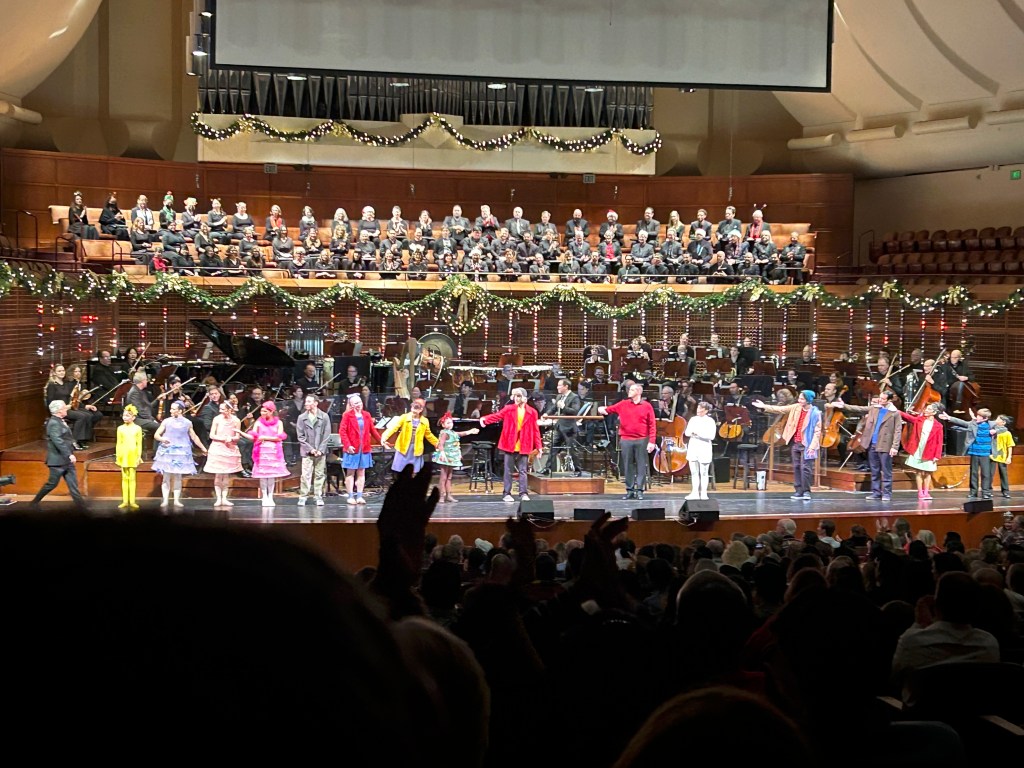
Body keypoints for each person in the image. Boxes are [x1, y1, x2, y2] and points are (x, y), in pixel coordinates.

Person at [751, 389, 822, 501]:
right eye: (799, 398)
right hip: (796, 442)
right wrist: (764, 406)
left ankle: (806, 491)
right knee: (796, 467)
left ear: (808, 400)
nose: (799, 400)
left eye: (802, 399)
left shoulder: (815, 413)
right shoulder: (796, 407)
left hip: (808, 444)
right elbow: (781, 409)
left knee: (805, 468)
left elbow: (817, 432)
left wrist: (812, 447)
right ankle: (798, 490)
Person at [833, 390, 902, 502]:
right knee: (874, 470)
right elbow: (859, 409)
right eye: (880, 398)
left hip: (885, 444)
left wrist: (894, 446)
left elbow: (898, 430)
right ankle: (876, 492)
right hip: (872, 444)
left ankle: (886, 493)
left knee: (886, 471)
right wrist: (844, 406)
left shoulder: (894, 413)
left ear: (889, 400)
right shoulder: (875, 408)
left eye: (883, 399)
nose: (880, 400)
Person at [481, 387, 542, 503]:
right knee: (508, 470)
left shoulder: (532, 412)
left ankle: (523, 493)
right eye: (514, 396)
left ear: (524, 397)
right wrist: (485, 419)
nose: (516, 398)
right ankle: (507, 493)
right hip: (510, 443)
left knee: (523, 470)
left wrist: (539, 447)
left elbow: (535, 430)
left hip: (524, 444)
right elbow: (497, 416)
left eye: (518, 396)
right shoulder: (509, 408)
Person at [598, 382, 657, 501]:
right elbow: (608, 410)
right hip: (626, 439)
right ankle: (629, 490)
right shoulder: (623, 404)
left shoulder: (647, 406)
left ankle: (639, 490)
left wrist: (652, 441)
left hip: (641, 439)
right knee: (627, 464)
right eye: (629, 389)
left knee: (641, 465)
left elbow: (652, 424)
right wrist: (601, 409)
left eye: (632, 390)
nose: (629, 391)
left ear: (639, 392)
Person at [30, 400, 86, 509]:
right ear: (59, 411)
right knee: (51, 484)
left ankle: (82, 507)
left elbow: (66, 438)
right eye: (64, 408)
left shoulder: (60, 421)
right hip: (57, 461)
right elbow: (58, 441)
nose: (66, 409)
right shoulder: (54, 423)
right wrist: (69, 454)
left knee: (73, 486)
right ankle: (34, 503)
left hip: (66, 461)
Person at [151, 400, 207, 509]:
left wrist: (203, 447)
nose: (171, 411)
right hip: (168, 451)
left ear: (180, 411)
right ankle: (165, 500)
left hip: (181, 452)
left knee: (177, 477)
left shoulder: (187, 423)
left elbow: (194, 437)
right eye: (171, 409)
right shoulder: (166, 421)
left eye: (173, 409)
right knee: (166, 476)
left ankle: (176, 500)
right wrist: (162, 439)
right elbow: (156, 435)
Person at [238, 401, 288, 514]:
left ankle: (270, 496)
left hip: (273, 451)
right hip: (262, 451)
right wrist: (240, 432)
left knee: (271, 475)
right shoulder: (258, 422)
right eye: (261, 411)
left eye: (265, 411)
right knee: (263, 476)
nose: (262, 413)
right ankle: (264, 496)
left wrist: (264, 437)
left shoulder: (279, 423)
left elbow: (279, 437)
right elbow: (253, 436)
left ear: (271, 411)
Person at [939, 407, 995, 500]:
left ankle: (986, 493)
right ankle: (973, 492)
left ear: (985, 418)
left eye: (979, 416)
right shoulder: (973, 424)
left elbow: (1003, 428)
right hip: (974, 451)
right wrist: (949, 418)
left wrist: (996, 431)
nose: (977, 417)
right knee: (974, 473)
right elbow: (963, 423)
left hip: (985, 453)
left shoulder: (992, 425)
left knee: (985, 474)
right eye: (977, 415)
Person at [44, 363, 102, 449]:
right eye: (59, 371)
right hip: (60, 410)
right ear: (54, 373)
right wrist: (63, 408)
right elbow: (50, 403)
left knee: (88, 415)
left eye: (63, 370)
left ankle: (82, 440)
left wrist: (83, 406)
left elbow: (72, 398)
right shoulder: (52, 385)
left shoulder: (65, 384)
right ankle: (74, 441)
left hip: (69, 407)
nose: (62, 372)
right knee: (81, 416)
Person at [340, 392, 382, 506]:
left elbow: (372, 430)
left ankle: (359, 496)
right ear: (351, 405)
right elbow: (342, 432)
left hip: (364, 448)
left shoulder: (366, 415)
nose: (358, 404)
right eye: (355, 403)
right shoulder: (347, 416)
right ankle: (350, 496)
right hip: (352, 449)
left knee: (361, 472)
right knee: (350, 473)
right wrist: (348, 445)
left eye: (359, 402)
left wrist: (381, 441)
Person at [899, 402, 945, 501]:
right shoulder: (919, 420)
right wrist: (897, 411)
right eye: (926, 408)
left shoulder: (938, 426)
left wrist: (937, 455)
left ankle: (926, 492)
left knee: (928, 473)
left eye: (929, 409)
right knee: (919, 472)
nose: (926, 410)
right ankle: (920, 492)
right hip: (918, 449)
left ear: (934, 412)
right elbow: (908, 417)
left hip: (930, 451)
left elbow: (939, 441)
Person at [381, 397, 438, 477]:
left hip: (416, 448)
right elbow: (393, 428)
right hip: (403, 448)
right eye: (414, 408)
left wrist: (437, 443)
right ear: (411, 407)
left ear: (421, 409)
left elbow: (428, 435)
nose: (415, 411)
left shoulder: (424, 421)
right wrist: (384, 437)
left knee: (415, 470)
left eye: (417, 408)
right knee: (401, 469)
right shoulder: (404, 417)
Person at [204, 401, 243, 509]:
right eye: (220, 409)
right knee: (218, 474)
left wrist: (231, 438)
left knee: (226, 475)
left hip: (229, 448)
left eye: (223, 409)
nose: (220, 411)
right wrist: (223, 438)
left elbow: (237, 436)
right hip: (218, 447)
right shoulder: (217, 419)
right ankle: (218, 498)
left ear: (229, 410)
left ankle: (224, 498)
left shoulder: (236, 420)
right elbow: (212, 435)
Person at [433, 412, 479, 503]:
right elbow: (441, 444)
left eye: (451, 422)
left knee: (449, 477)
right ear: (443, 425)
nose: (450, 424)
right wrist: (442, 453)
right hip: (445, 457)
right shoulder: (444, 433)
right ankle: (441, 495)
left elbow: (460, 434)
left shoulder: (452, 432)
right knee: (443, 477)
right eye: (448, 423)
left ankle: (448, 495)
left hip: (451, 457)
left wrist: (470, 431)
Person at [540, 378, 582, 476]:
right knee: (553, 448)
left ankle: (578, 470)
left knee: (572, 450)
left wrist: (563, 407)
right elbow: (554, 408)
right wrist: (546, 414)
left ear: (566, 386)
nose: (557, 387)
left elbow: (575, 411)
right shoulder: (559, 396)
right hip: (559, 427)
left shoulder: (574, 397)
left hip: (569, 428)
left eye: (560, 385)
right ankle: (547, 468)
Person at [296, 394, 331, 508]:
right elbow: (300, 437)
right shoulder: (302, 417)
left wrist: (320, 449)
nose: (306, 403)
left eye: (309, 401)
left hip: (320, 452)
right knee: (305, 475)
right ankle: (303, 496)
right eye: (306, 401)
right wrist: (311, 449)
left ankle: (318, 496)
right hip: (307, 452)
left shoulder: (324, 416)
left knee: (319, 474)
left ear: (316, 403)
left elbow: (326, 435)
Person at [683, 400, 717, 500]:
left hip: (704, 447)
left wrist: (698, 434)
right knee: (694, 472)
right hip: (693, 446)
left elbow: (711, 436)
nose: (698, 410)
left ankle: (703, 493)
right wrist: (694, 433)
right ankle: (694, 492)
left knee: (704, 472)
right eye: (698, 408)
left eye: (701, 409)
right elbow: (687, 433)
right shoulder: (693, 419)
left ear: (706, 410)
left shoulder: (710, 421)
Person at [115, 404, 143, 511]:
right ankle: (125, 501)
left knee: (132, 478)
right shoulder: (120, 428)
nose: (125, 417)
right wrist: (118, 455)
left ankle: (132, 501)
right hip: (124, 454)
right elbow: (119, 443)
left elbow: (139, 444)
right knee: (124, 478)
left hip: (133, 454)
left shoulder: (137, 428)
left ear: (133, 417)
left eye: (127, 416)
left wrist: (138, 456)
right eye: (124, 415)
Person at [991, 414, 1015, 499]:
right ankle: (988, 490)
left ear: (1003, 422)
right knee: (990, 474)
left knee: (1003, 474)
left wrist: (1009, 457)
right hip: (992, 455)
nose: (996, 420)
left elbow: (1010, 445)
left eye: (998, 419)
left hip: (1002, 456)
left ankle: (1005, 491)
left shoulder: (1007, 433)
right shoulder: (992, 430)